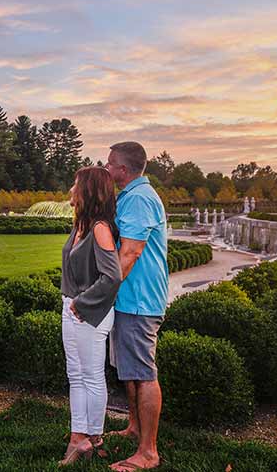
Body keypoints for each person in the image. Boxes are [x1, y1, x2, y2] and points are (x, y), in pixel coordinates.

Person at [104, 142, 168, 472]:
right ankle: (133, 426)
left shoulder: (140, 199)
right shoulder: (132, 196)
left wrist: (101, 293)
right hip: (129, 299)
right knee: (129, 370)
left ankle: (148, 452)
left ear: (124, 170)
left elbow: (130, 253)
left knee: (143, 374)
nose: (106, 167)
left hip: (139, 301)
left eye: (110, 163)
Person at [59, 166, 123, 465]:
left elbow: (112, 276)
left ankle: (91, 437)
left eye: (76, 184)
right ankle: (79, 437)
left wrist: (81, 304)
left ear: (88, 190)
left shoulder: (99, 227)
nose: (72, 189)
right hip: (73, 308)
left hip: (89, 313)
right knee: (76, 376)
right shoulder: (81, 224)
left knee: (92, 377)